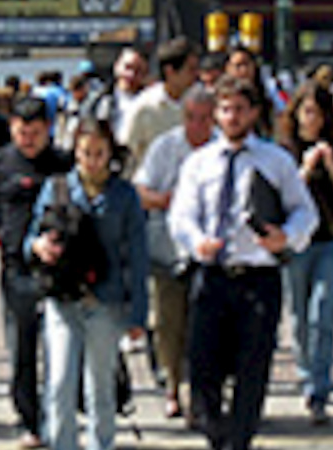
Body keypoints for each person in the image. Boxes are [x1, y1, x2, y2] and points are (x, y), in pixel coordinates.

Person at [169, 76, 318, 450]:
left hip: (258, 275)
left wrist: (286, 235)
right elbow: (181, 215)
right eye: (225, 109)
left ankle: (239, 441)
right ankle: (216, 434)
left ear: (252, 113)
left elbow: (305, 212)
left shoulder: (276, 160)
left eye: (239, 109)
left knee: (252, 369)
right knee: (202, 366)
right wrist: (196, 241)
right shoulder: (199, 163)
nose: (232, 117)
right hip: (213, 274)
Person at [24, 118, 148, 450]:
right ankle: (62, 443)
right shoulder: (57, 188)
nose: (92, 161)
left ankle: (101, 444)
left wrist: (138, 313)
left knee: (100, 386)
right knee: (59, 382)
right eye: (85, 153)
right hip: (63, 297)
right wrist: (39, 246)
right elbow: (30, 238)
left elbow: (137, 256)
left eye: (99, 153)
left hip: (106, 301)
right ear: (75, 153)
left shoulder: (124, 195)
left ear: (110, 153)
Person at [0, 97, 72, 448]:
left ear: (48, 130)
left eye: (35, 133)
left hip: (60, 268)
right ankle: (29, 419)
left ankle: (60, 415)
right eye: (21, 133)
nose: (28, 140)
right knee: (22, 348)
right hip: (16, 269)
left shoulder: (62, 163)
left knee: (61, 350)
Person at [133, 85, 217, 418]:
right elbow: (140, 190)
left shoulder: (221, 149)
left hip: (209, 250)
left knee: (205, 325)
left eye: (204, 119)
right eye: (191, 118)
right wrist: (164, 200)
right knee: (168, 322)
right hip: (167, 247)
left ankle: (201, 389)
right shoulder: (165, 146)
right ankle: (171, 385)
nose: (197, 126)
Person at [279, 82, 333, 424]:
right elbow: (283, 198)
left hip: (329, 241)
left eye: (319, 112)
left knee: (321, 313)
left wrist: (331, 165)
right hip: (296, 245)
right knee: (298, 315)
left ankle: (319, 388)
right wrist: (306, 168)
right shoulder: (284, 151)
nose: (312, 119)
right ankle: (304, 372)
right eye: (307, 111)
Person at [119, 36, 200, 176]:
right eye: (190, 69)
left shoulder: (201, 103)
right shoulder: (144, 107)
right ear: (170, 71)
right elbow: (128, 151)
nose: (196, 75)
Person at [90, 47, 148, 135]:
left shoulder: (150, 102)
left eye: (138, 70)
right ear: (116, 67)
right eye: (128, 67)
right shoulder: (101, 101)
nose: (131, 75)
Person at [224, 46, 275, 137]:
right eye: (238, 66)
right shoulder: (221, 97)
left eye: (246, 64)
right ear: (228, 68)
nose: (244, 70)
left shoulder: (267, 95)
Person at [56, 74, 91, 152]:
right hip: (68, 142)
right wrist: (59, 142)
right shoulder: (65, 101)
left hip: (85, 143)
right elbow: (61, 122)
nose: (74, 94)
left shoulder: (91, 103)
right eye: (73, 91)